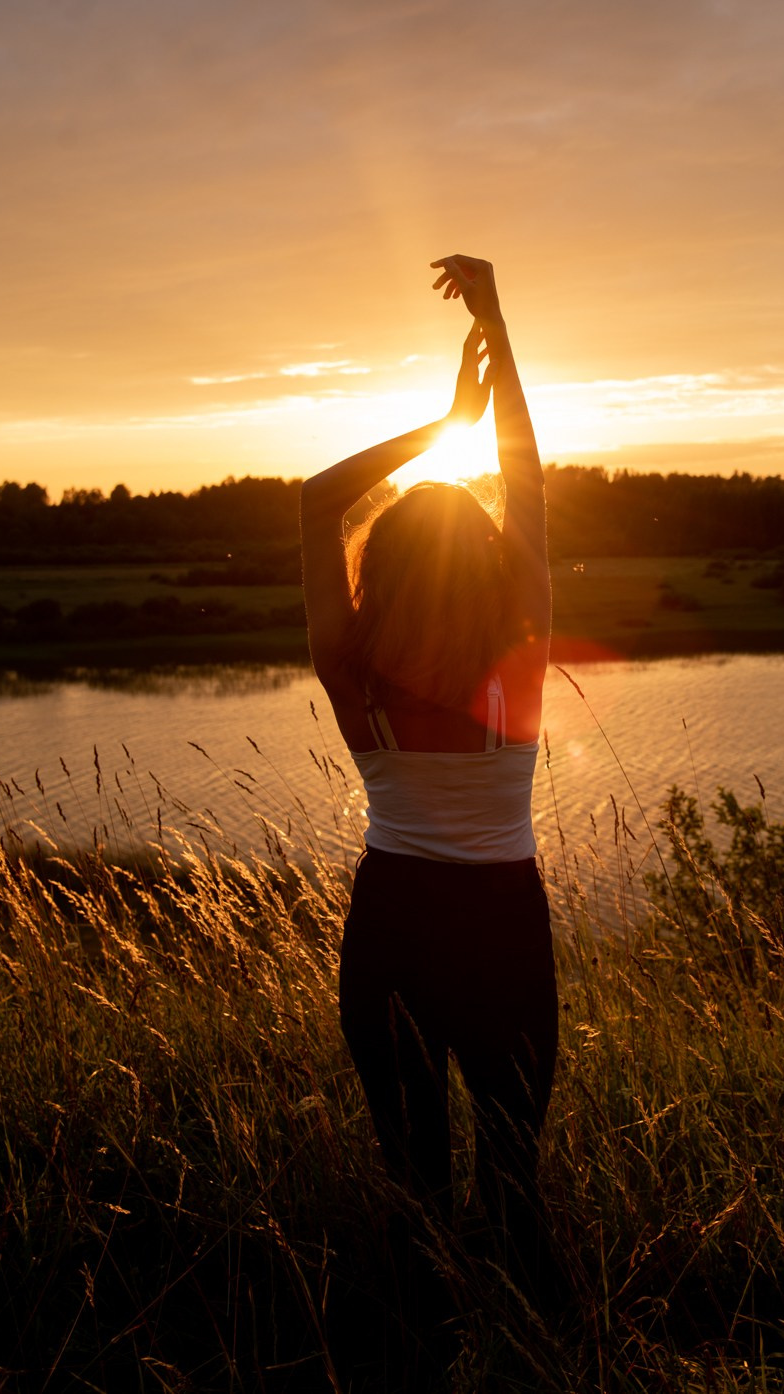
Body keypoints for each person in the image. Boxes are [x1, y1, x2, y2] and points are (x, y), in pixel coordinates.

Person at [300, 254, 558, 1314]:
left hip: (392, 926)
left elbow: (317, 500)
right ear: (488, 566)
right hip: (504, 929)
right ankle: (528, 1346)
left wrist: (442, 424)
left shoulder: (350, 670)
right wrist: (499, 326)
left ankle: (417, 1346)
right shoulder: (520, 657)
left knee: (415, 1189)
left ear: (380, 567)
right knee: (512, 1180)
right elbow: (530, 486)